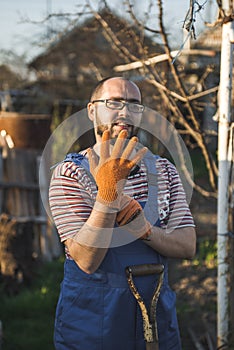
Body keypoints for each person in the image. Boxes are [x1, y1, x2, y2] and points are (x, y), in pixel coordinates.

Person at [49, 76, 196, 350]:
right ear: (92, 110)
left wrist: (143, 229)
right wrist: (107, 195)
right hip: (92, 320)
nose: (125, 112)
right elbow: (85, 259)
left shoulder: (164, 171)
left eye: (134, 104)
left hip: (156, 318)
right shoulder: (70, 174)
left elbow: (187, 245)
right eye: (114, 102)